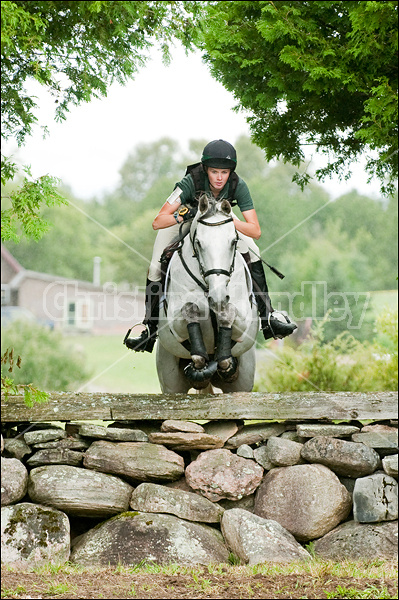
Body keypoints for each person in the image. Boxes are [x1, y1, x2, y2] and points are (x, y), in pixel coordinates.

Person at [124, 139, 296, 352]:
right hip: (186, 217)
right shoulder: (189, 182)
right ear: (205, 170)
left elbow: (255, 231)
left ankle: (267, 317)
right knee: (153, 266)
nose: (219, 178)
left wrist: (230, 220)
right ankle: (149, 328)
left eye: (224, 172)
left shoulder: (237, 184)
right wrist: (184, 214)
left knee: (255, 251)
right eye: (214, 172)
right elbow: (158, 221)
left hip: (223, 219)